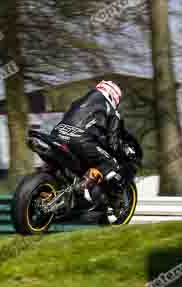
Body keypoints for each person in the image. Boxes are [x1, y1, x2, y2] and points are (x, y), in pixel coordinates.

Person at [50, 80, 133, 215]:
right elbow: (113, 142)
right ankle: (83, 186)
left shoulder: (78, 101)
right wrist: (122, 151)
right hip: (81, 141)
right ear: (114, 96)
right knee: (110, 163)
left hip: (57, 134)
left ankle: (56, 181)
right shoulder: (111, 110)